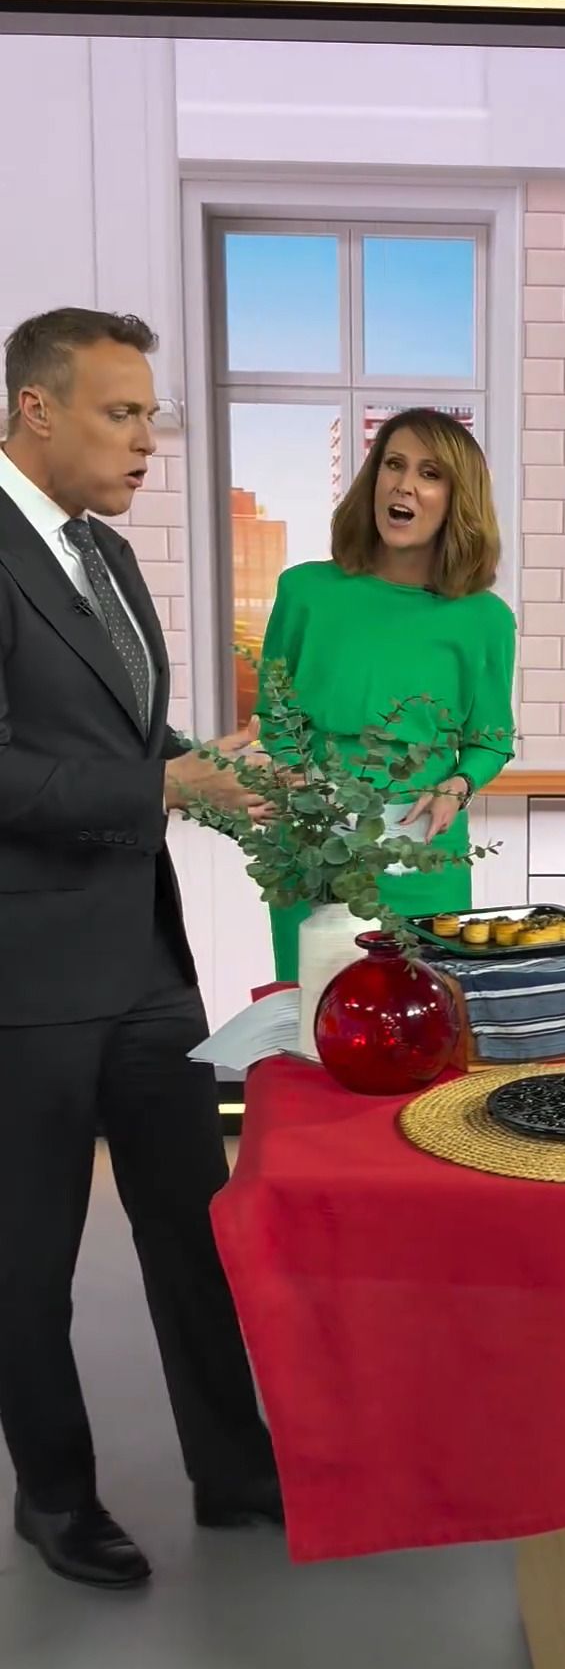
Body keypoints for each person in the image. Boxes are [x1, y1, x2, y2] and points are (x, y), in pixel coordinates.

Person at [0, 308, 283, 1591]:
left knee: (193, 1228)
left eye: (148, 415)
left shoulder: (103, 551)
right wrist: (166, 787)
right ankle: (55, 1499)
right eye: (121, 414)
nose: (146, 440)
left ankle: (235, 1473)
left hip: (144, 959)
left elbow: (112, 740)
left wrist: (206, 769)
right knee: (29, 1264)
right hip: (26, 980)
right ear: (36, 407)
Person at [260, 409, 516, 981]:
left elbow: (491, 739)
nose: (404, 485)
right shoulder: (304, 591)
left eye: (430, 473)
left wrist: (457, 786)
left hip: (422, 846)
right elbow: (275, 713)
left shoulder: (485, 620)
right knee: (314, 1006)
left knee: (421, 1009)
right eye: (393, 465)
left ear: (457, 499)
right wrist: (295, 780)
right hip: (313, 841)